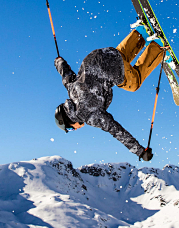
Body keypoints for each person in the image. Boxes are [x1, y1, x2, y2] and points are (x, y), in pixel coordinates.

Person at [54, 23, 168, 161]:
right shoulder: (71, 91)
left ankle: (158, 47)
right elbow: (65, 75)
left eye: (71, 128)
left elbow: (116, 130)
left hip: (111, 71)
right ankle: (140, 33)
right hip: (99, 55)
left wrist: (140, 152)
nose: (75, 129)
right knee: (118, 57)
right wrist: (58, 62)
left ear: (69, 119)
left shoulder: (88, 115)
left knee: (134, 83)